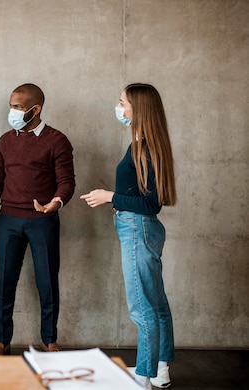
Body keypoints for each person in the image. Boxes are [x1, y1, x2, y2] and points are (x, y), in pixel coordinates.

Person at [0, 83, 75, 355]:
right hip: (8, 220)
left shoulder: (57, 141)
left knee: (46, 281)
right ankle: (2, 340)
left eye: (18, 107)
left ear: (36, 109)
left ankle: (49, 340)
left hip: (43, 221)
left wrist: (55, 203)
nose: (12, 111)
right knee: (5, 281)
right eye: (11, 105)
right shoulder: (5, 141)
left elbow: (66, 182)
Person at [80, 83, 176, 389]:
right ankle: (159, 370)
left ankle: (142, 377)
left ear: (138, 109)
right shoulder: (146, 144)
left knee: (142, 306)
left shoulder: (143, 147)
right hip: (141, 228)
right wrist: (111, 197)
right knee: (156, 302)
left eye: (122, 102)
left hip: (138, 228)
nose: (117, 106)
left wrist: (109, 196)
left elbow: (150, 203)